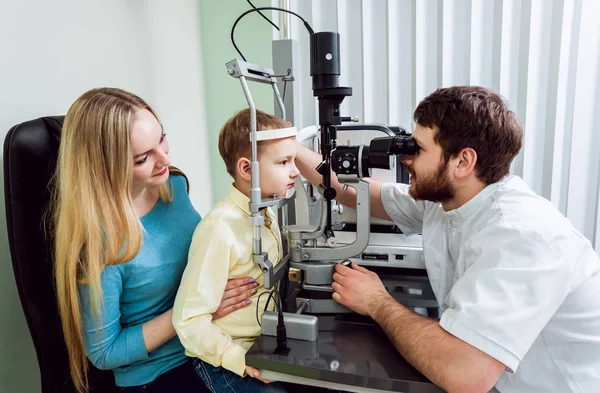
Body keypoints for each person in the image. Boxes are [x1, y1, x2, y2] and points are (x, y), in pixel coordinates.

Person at [295, 86, 600, 393]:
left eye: (418, 148)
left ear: (463, 162)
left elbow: (465, 375)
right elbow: (360, 194)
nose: (405, 158)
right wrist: (291, 149)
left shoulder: (523, 235)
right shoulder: (451, 200)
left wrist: (377, 302)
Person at [53, 88, 256, 393]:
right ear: (106, 167)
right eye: (143, 157)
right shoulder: (101, 247)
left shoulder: (171, 185)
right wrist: (193, 311)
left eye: (162, 139)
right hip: (161, 372)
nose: (165, 158)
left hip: (207, 341)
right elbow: (104, 353)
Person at [172, 109, 300, 393]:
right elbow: (189, 321)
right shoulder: (219, 228)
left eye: (293, 160)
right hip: (222, 360)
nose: (295, 170)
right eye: (283, 162)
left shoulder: (267, 213)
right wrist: (241, 361)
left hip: (262, 343)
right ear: (246, 169)